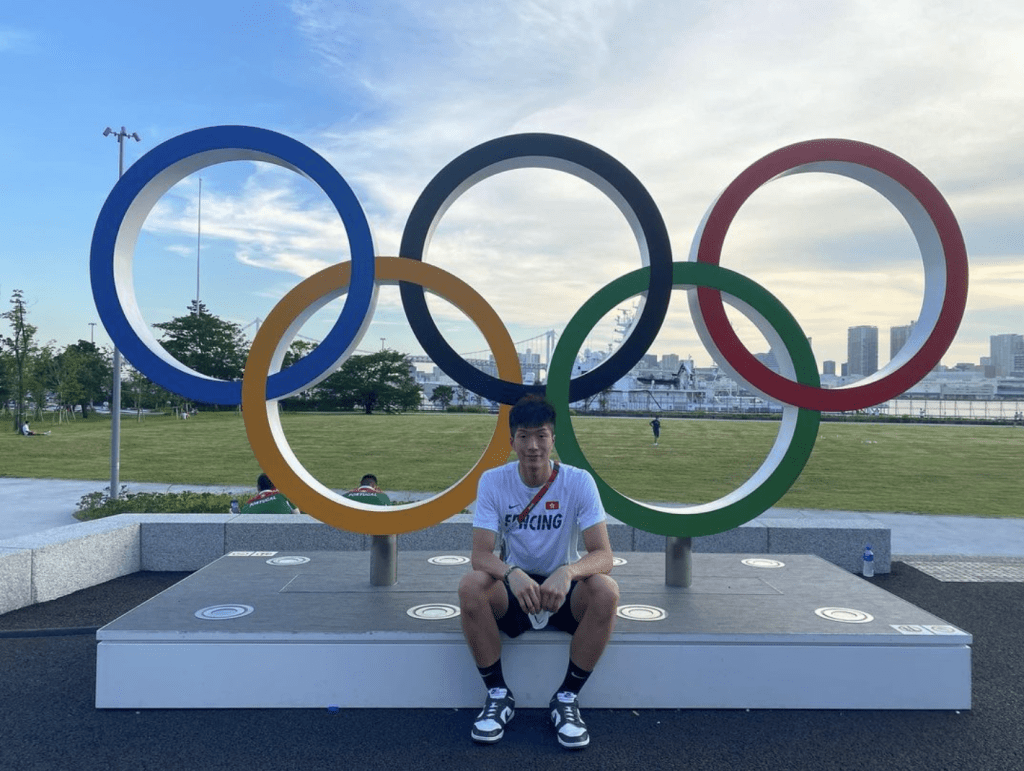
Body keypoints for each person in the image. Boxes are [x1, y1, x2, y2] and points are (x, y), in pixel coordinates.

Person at [459, 395, 618, 750]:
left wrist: (569, 571)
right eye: (524, 437)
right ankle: (498, 695)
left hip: (562, 595)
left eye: (541, 436)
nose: (533, 447)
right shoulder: (493, 481)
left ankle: (566, 699)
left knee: (606, 590)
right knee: (471, 586)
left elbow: (603, 555)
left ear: (553, 439)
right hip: (515, 594)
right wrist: (512, 572)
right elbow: (480, 556)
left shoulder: (577, 482)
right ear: (511, 441)